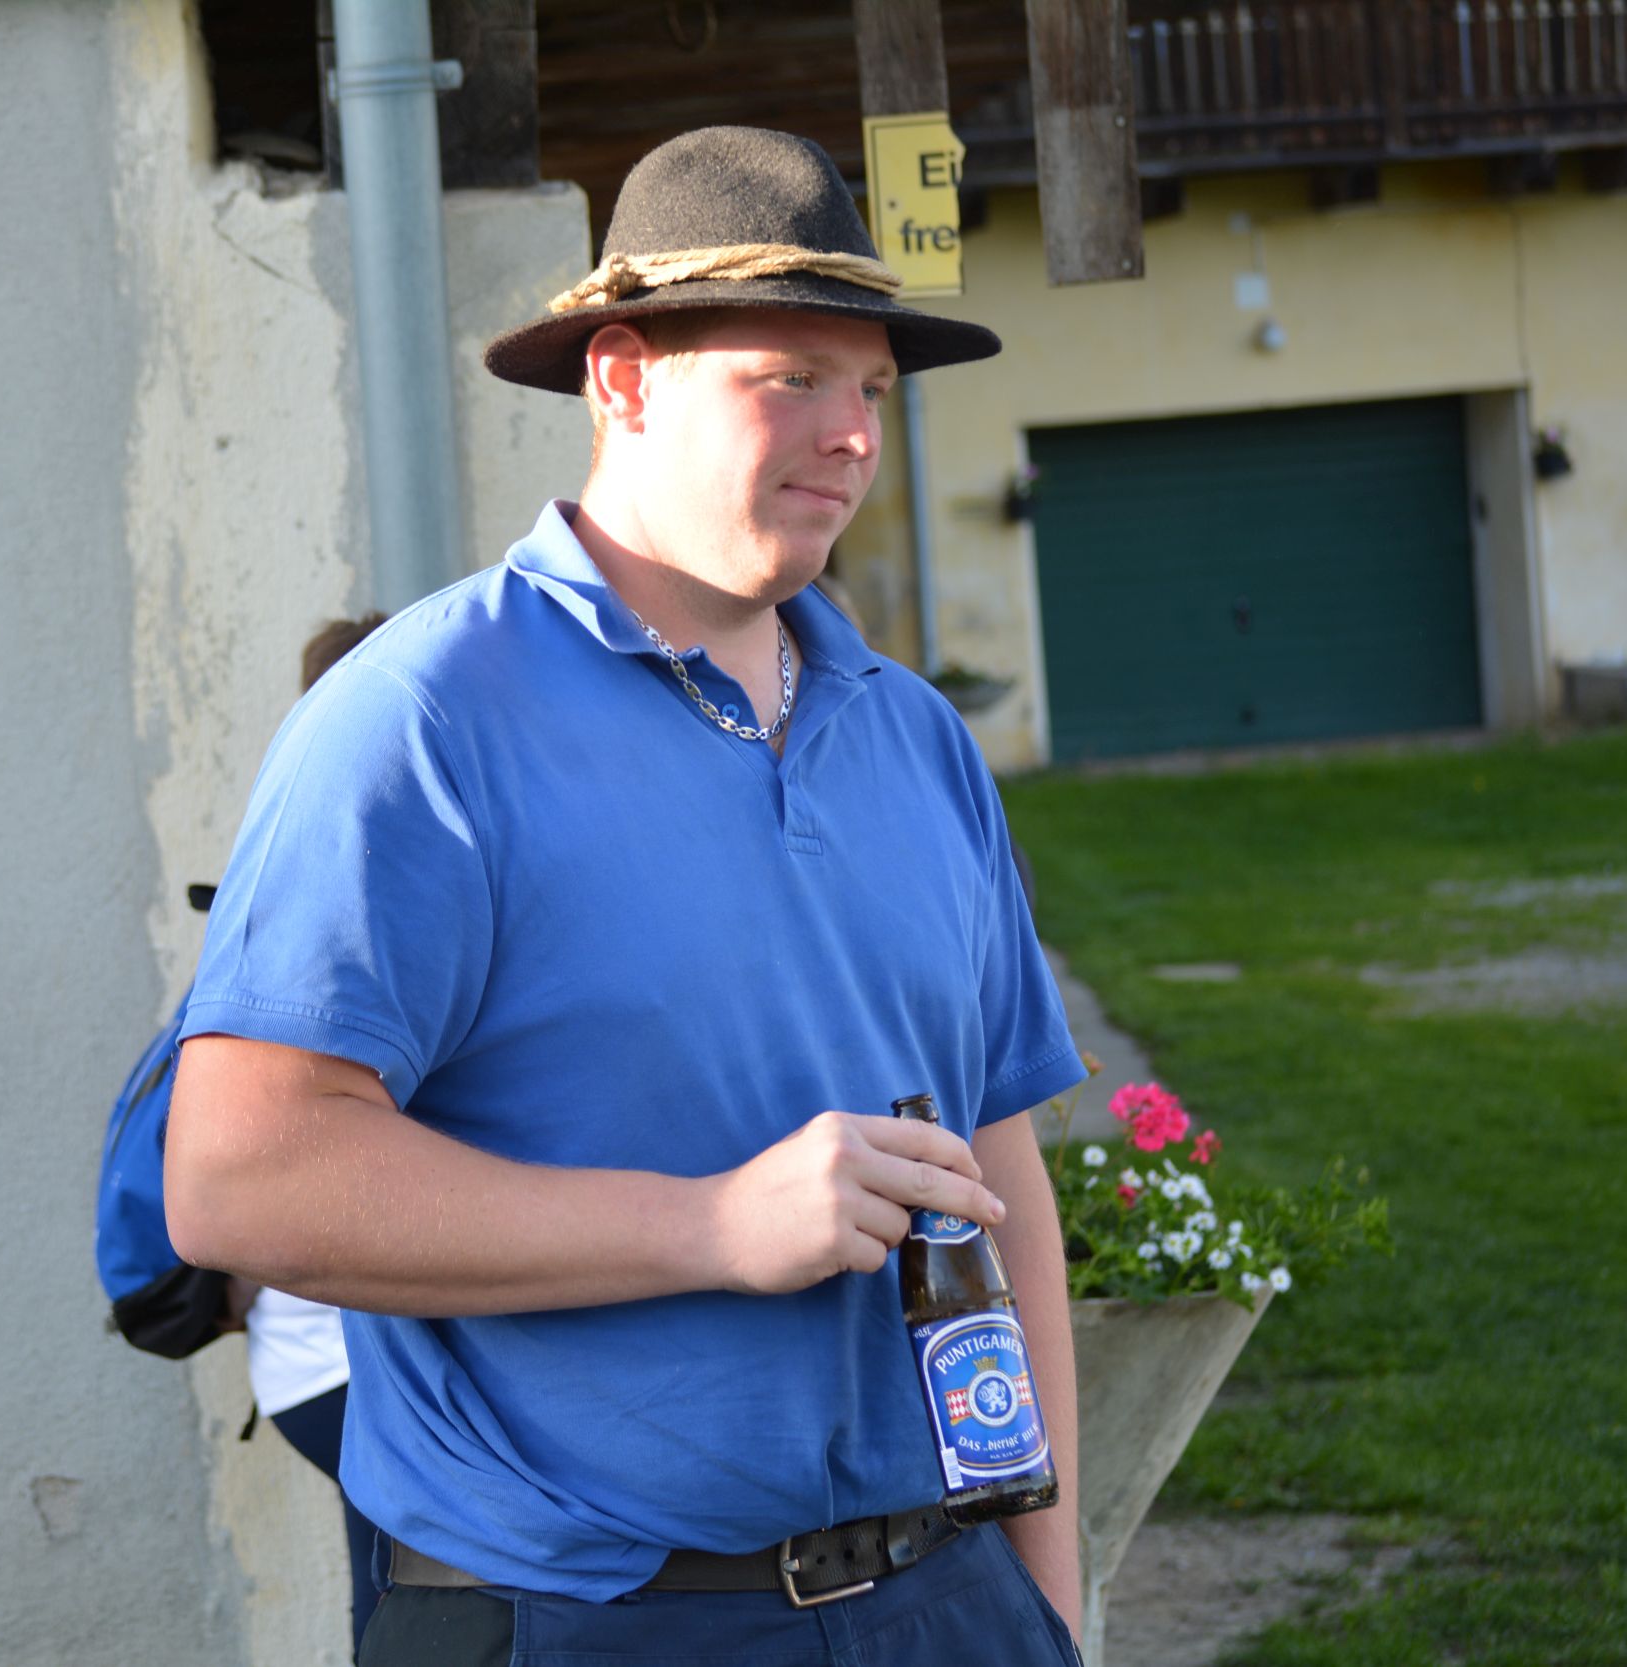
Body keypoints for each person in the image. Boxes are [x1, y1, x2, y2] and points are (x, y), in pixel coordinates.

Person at [165, 126, 1086, 1666]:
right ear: (623, 381)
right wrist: (714, 1224)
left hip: (948, 1603)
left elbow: (999, 1168)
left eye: (872, 389)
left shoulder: (914, 736)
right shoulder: (421, 719)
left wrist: (1050, 1599)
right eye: (791, 376)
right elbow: (240, 1181)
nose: (851, 434)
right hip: (589, 1620)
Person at [230, 610, 394, 1663]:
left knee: (395, 1591)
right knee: (416, 1594)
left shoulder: (280, 872)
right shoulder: (350, 894)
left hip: (307, 1364)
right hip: (354, 1359)